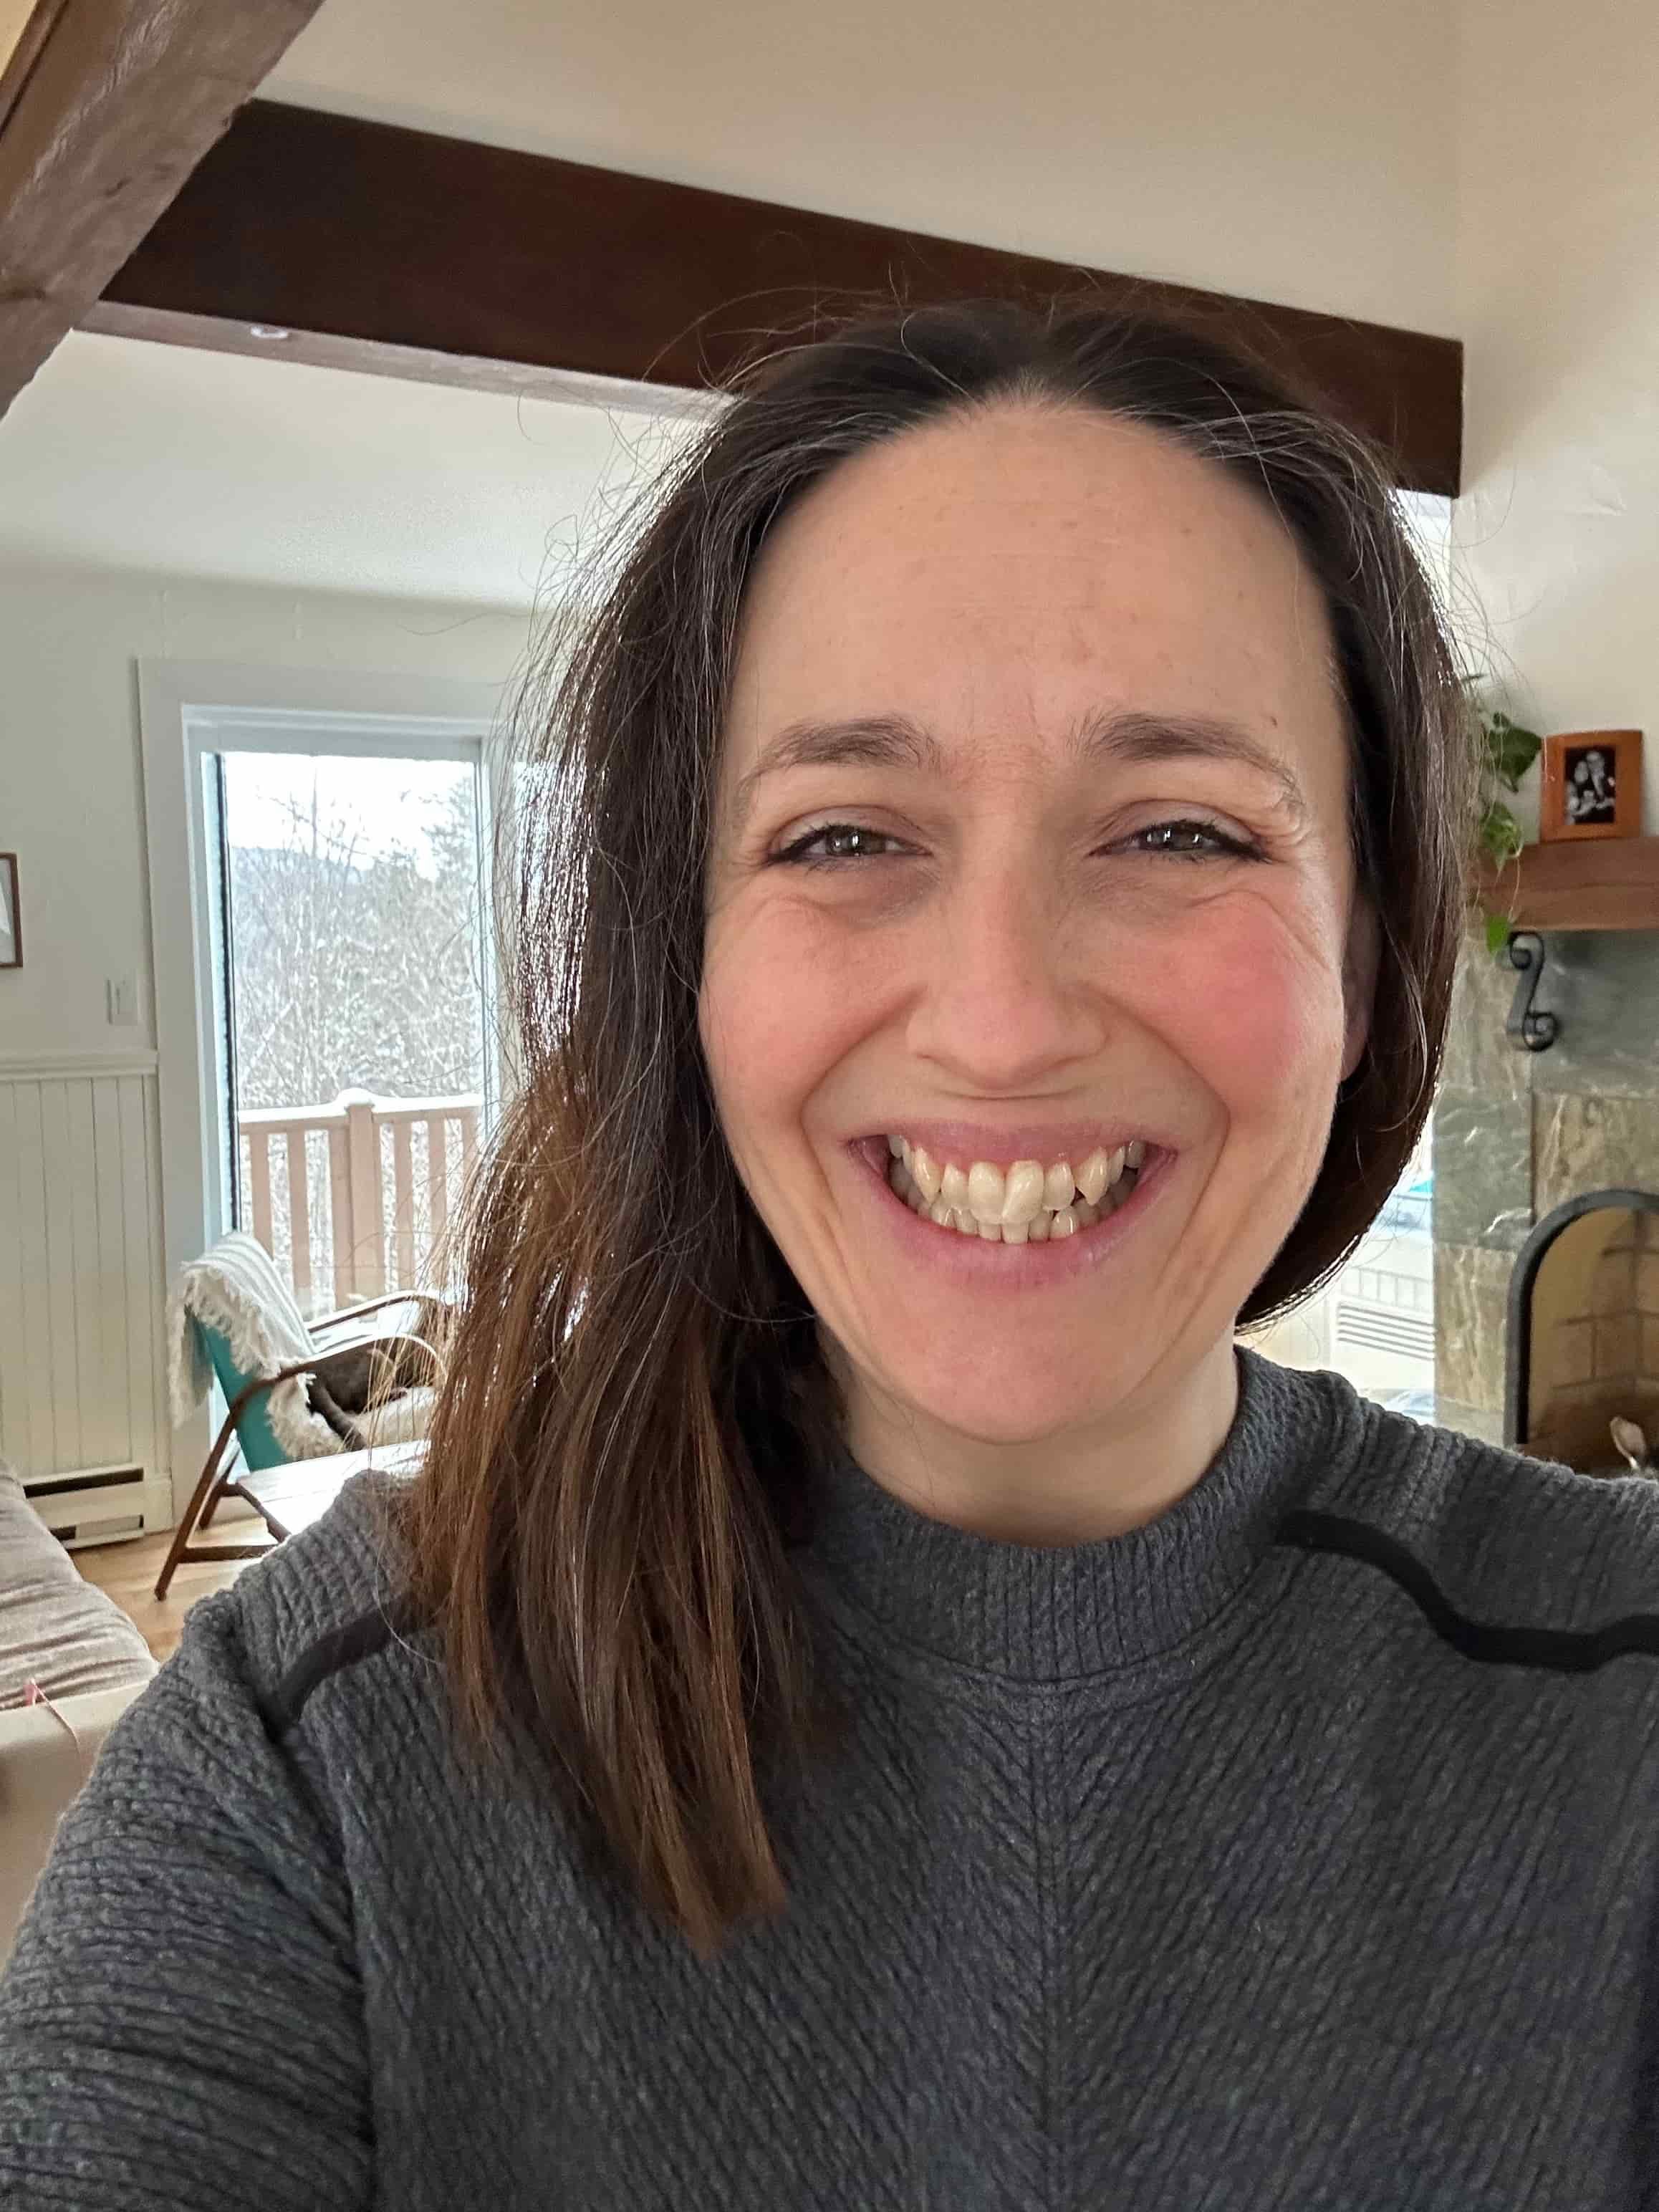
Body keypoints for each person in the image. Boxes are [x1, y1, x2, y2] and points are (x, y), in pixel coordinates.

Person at [6, 297, 1659, 2209]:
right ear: (679, 960)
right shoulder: (318, 1755)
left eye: (1182, 829)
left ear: (1371, 962)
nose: (1003, 1020)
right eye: (843, 834)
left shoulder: (1609, 1684)